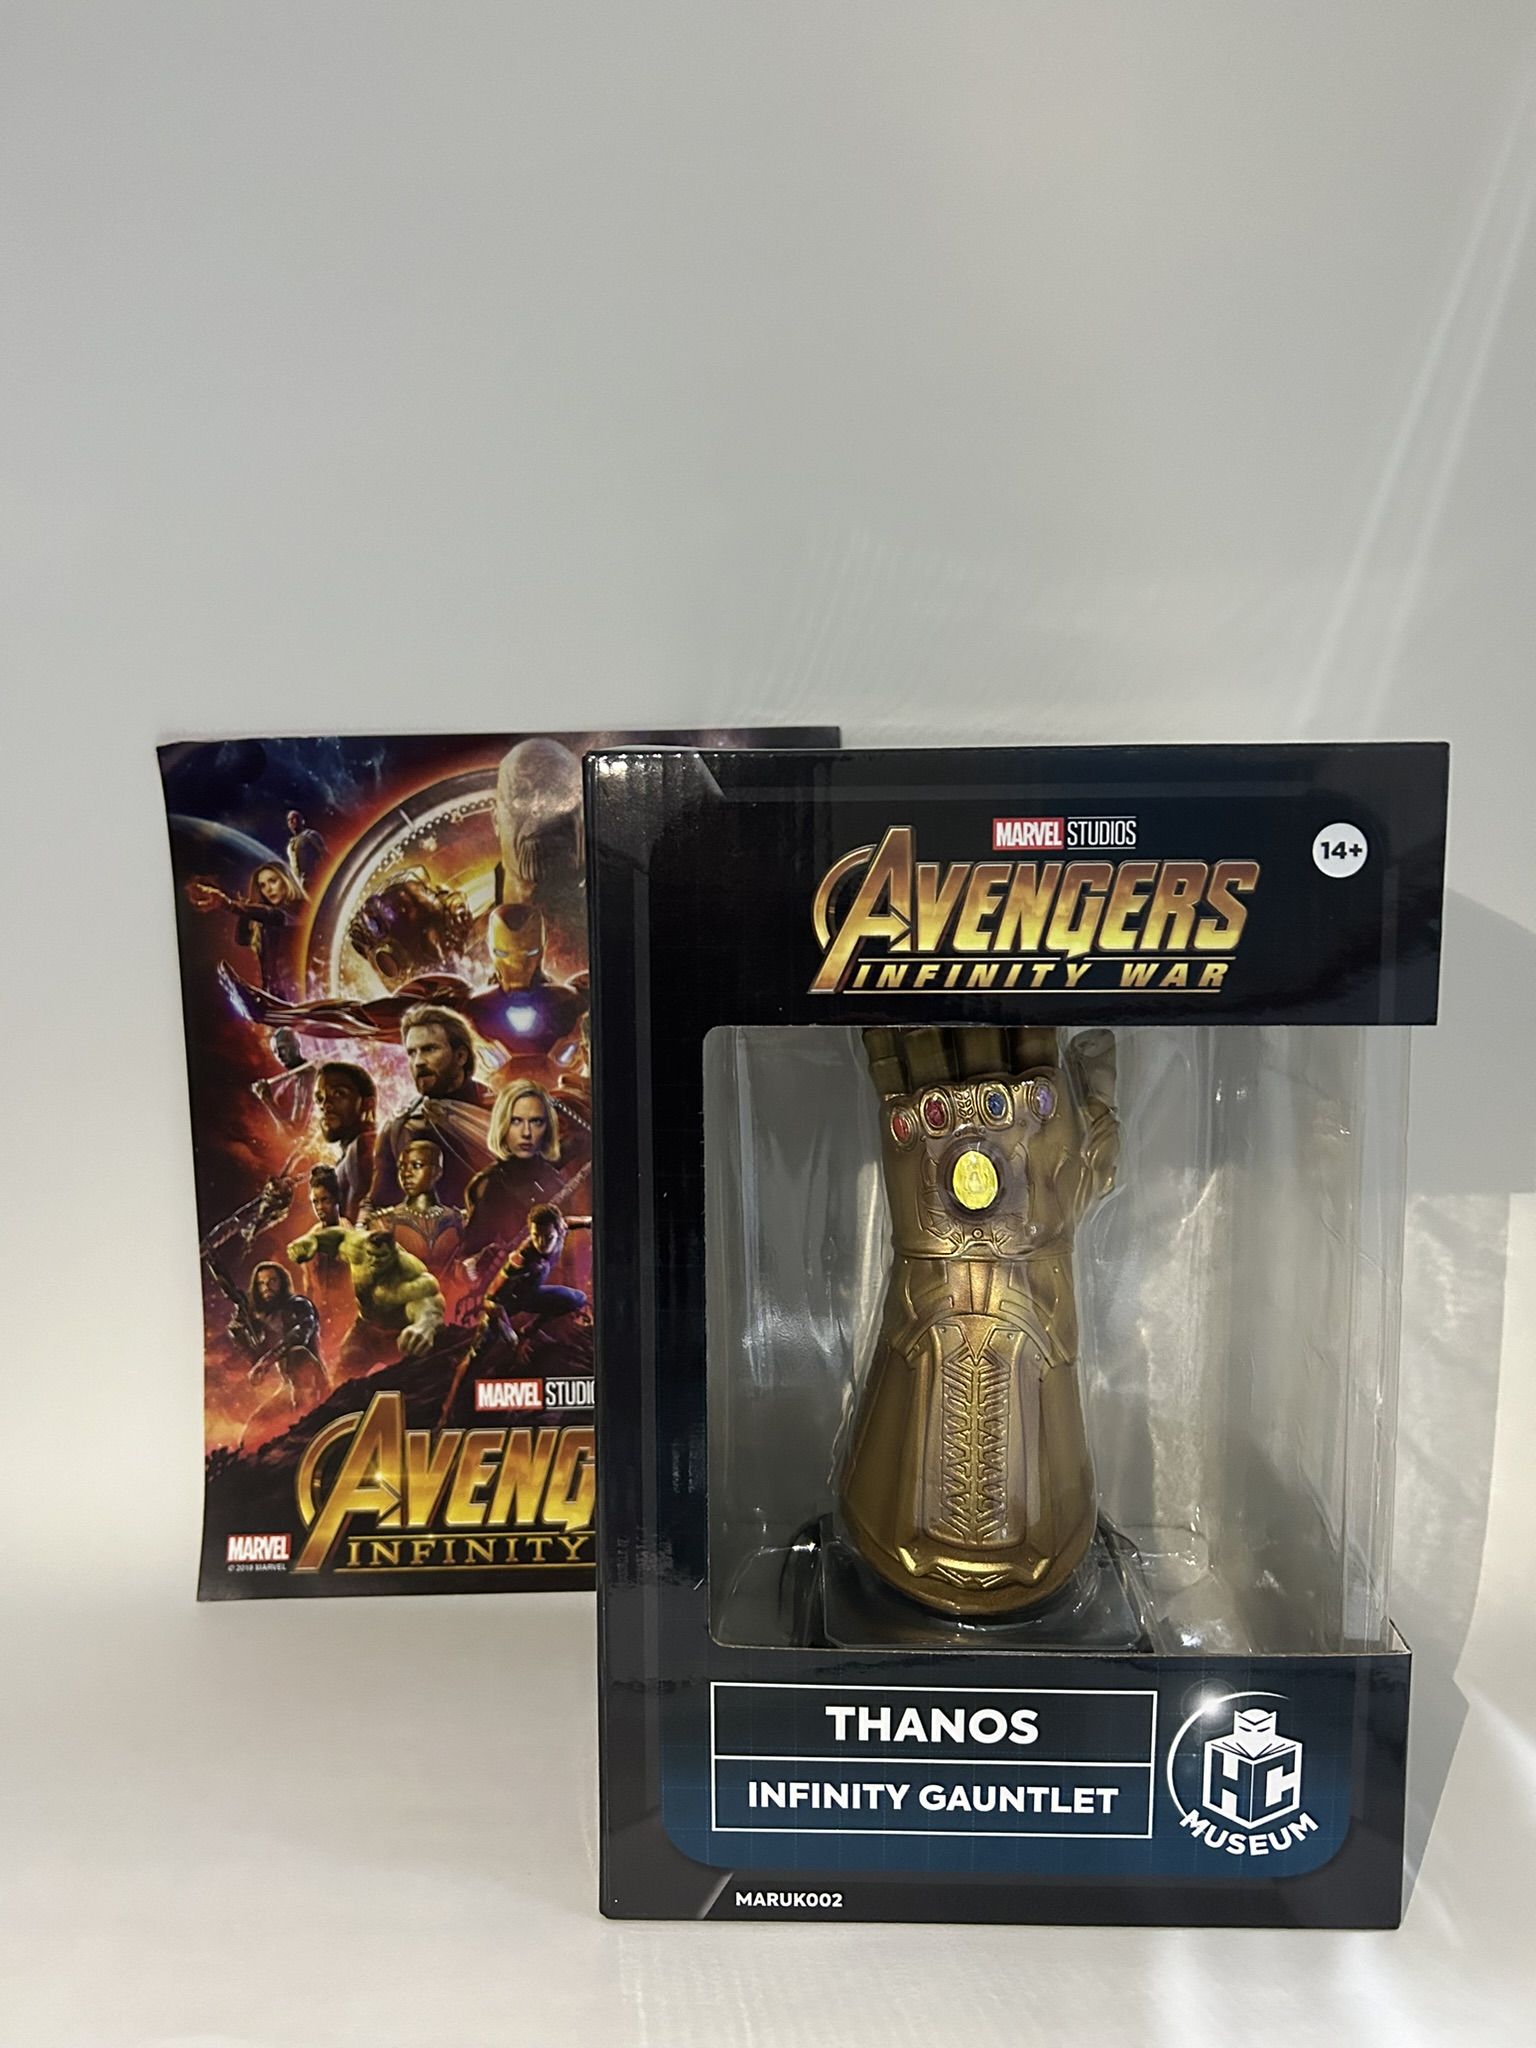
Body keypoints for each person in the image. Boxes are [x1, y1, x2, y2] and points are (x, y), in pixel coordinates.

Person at [369, 1004, 493, 1211]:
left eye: (429, 1049)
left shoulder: (503, 1111)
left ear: (460, 1056)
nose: (418, 1062)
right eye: (412, 1053)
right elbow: (379, 1203)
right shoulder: (399, 1128)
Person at [460, 1079, 571, 1262]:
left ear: (548, 1127)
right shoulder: (491, 1184)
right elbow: (470, 1257)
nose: (526, 1133)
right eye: (516, 1121)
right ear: (502, 1125)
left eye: (536, 1122)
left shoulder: (555, 1180)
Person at [227, 1261, 330, 1448]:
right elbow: (256, 1357)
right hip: (288, 1386)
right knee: (251, 1436)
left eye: (272, 1281)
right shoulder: (263, 1319)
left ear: (282, 1282)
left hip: (314, 1383)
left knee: (297, 1354)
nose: (266, 1287)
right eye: (261, 1283)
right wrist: (239, 1334)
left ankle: (306, 1428)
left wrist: (265, 1362)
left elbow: (299, 1337)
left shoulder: (300, 1305)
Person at [186, 862, 302, 996]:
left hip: (300, 988)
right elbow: (242, 939)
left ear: (286, 880)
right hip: (274, 992)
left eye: (273, 881)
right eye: (262, 885)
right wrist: (245, 912)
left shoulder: (300, 908)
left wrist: (229, 904)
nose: (268, 889)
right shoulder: (265, 921)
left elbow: (275, 916)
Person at [368, 1137, 463, 1279]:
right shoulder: (383, 1223)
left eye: (416, 1165)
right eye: (402, 1167)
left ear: (437, 1171)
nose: (406, 1173)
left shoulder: (458, 1220)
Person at [312, 1061, 376, 1221]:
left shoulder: (364, 1145)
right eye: (319, 1099)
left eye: (339, 1094)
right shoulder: (352, 1151)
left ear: (367, 1103)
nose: (325, 1105)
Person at [294, 1165, 353, 1330]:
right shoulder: (310, 1238)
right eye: (315, 1202)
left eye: (325, 1200)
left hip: (346, 1319)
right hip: (319, 1319)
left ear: (336, 1198)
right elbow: (308, 1286)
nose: (319, 1208)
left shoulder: (351, 1234)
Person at [251, 1027, 315, 1135]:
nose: (279, 1055)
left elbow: (295, 1132)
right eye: (275, 1052)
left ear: (296, 1045)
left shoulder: (306, 1077)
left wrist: (268, 1100)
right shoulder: (292, 1079)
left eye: (282, 1048)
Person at [284, 810, 327, 890]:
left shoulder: (310, 835)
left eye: (294, 818)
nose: (292, 822)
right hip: (301, 884)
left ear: (301, 820)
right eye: (289, 820)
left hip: (316, 879)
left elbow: (325, 854)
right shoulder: (290, 845)